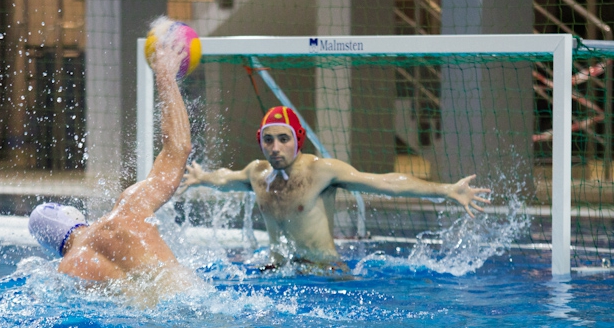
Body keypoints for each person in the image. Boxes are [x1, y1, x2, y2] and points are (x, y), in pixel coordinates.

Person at [179, 106, 491, 271]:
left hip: (324, 274)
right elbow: (225, 179)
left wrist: (446, 190)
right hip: (279, 273)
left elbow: (384, 182)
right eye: (268, 139)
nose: (275, 147)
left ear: (298, 140)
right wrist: (202, 177)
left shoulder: (321, 170)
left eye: (283, 139)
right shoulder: (257, 173)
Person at [28, 18, 198, 307]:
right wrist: (165, 78)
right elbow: (178, 148)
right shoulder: (130, 207)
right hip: (195, 304)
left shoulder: (69, 270)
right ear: (75, 216)